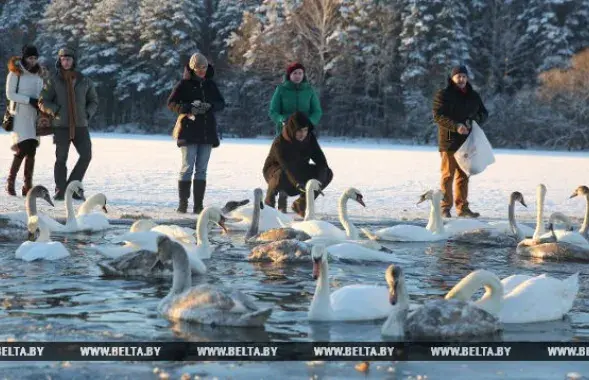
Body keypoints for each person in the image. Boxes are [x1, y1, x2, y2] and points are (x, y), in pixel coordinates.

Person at [167, 52, 225, 214]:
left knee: (201, 169)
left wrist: (210, 106)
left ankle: (198, 205)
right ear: (192, 68)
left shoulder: (210, 85)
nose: (202, 70)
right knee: (187, 167)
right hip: (188, 131)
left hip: (207, 132)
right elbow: (171, 103)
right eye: (198, 68)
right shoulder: (183, 84)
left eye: (204, 67)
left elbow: (221, 103)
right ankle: (183, 203)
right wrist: (187, 108)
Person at [39, 47, 99, 200]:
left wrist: (87, 113)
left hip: (81, 126)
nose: (66, 62)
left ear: (73, 61)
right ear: (59, 61)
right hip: (61, 126)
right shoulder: (53, 80)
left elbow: (93, 100)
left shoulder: (84, 80)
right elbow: (43, 101)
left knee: (86, 155)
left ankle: (72, 188)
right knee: (61, 159)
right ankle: (60, 190)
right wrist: (56, 111)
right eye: (63, 59)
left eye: (69, 59)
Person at [432, 65, 488, 218]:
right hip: (449, 139)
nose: (461, 79)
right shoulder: (443, 94)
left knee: (464, 175)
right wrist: (456, 126)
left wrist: (473, 121)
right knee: (448, 175)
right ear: (452, 78)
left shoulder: (473, 96)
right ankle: (444, 207)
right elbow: (438, 116)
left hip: (467, 142)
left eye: (464, 76)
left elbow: (484, 113)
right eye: (458, 76)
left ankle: (462, 208)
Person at [268, 62, 323, 211]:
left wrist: (308, 124)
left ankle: (300, 201)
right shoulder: (281, 90)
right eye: (294, 74)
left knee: (300, 163)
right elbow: (273, 111)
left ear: (303, 75)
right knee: (284, 164)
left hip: (304, 135)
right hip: (286, 133)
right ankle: (278, 193)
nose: (297, 76)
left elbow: (317, 111)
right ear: (289, 75)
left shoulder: (309, 91)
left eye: (300, 73)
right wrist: (281, 119)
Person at [262, 111, 333, 218]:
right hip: (277, 171)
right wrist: (298, 183)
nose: (303, 134)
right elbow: (286, 167)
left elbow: (320, 160)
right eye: (299, 131)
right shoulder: (280, 143)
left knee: (327, 173)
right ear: (292, 130)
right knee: (280, 175)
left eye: (305, 130)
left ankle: (301, 204)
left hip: (299, 169)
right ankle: (268, 206)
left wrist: (320, 179)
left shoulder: (309, 138)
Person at [4, 44, 46, 196]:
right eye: (30, 57)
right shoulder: (15, 73)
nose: (33, 61)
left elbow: (42, 92)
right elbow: (10, 94)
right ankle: (11, 181)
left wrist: (43, 102)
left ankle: (27, 185)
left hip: (35, 115)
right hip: (20, 114)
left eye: (35, 58)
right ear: (24, 57)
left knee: (32, 149)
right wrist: (29, 100)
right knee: (23, 148)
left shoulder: (39, 74)